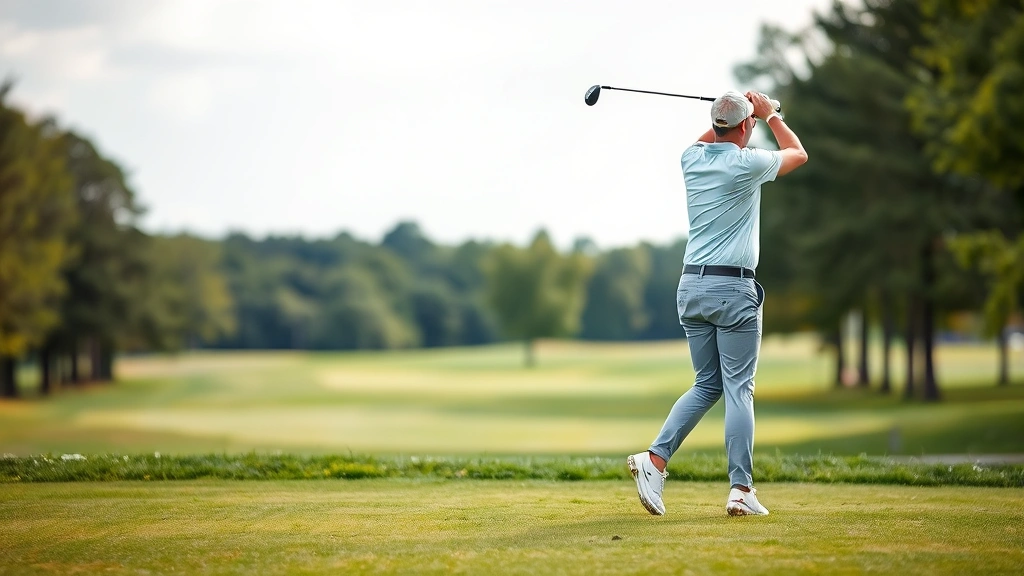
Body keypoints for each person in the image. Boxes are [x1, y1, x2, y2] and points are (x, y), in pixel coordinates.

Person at [627, 90, 808, 516]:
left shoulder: (691, 158)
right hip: (733, 290)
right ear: (746, 127)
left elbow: (713, 134)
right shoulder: (748, 163)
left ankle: (654, 461)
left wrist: (735, 112)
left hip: (691, 287)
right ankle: (741, 489)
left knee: (707, 383)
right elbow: (798, 153)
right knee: (738, 389)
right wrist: (771, 113)